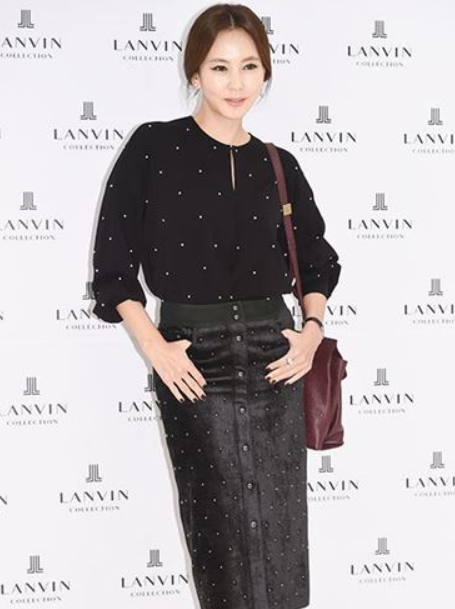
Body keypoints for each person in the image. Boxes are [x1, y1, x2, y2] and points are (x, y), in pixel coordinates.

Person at [91, 4, 342, 608]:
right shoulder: (153, 147)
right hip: (193, 362)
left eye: (250, 66)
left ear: (266, 72)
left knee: (280, 536)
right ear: (195, 73)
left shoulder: (279, 164)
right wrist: (155, 348)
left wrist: (311, 331)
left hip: (277, 358)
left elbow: (317, 262)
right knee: (219, 536)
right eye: (220, 67)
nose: (237, 83)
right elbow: (114, 267)